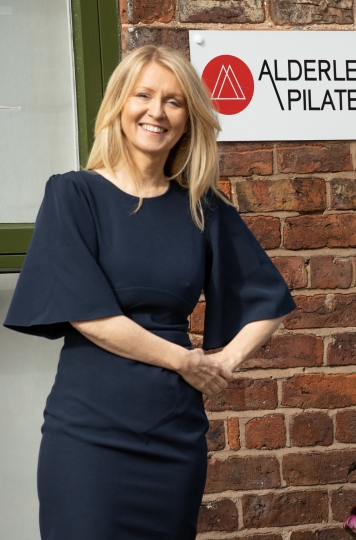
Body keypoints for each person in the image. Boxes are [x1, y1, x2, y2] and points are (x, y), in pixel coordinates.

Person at [3, 45, 296, 539]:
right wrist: (185, 361)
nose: (156, 112)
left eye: (174, 102)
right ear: (119, 104)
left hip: (173, 436)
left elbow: (269, 301)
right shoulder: (74, 195)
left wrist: (223, 363)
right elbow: (90, 317)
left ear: (187, 121)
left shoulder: (202, 208)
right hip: (88, 437)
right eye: (143, 95)